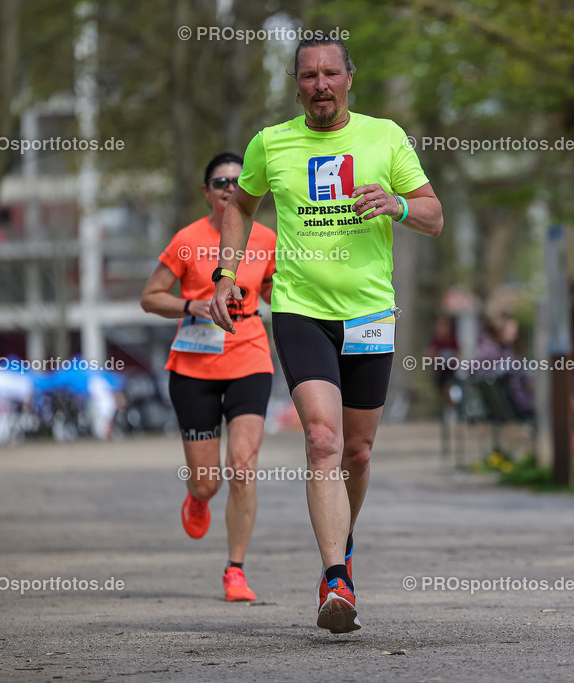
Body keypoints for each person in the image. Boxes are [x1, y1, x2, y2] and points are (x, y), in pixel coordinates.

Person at [209, 37, 443, 633]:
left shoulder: (385, 136)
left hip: (368, 313)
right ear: (296, 83)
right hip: (300, 309)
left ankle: (343, 533)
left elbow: (433, 216)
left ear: (348, 78)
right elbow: (239, 204)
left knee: (358, 452)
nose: (320, 84)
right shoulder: (272, 143)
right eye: (309, 75)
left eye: (329, 73)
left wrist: (394, 203)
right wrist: (227, 273)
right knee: (321, 440)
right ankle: (335, 577)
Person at [141, 152, 277, 602]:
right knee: (208, 480)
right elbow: (150, 297)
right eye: (219, 181)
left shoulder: (267, 240)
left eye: (236, 182)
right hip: (194, 366)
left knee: (243, 466)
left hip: (250, 359)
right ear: (206, 192)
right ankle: (197, 495)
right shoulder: (187, 240)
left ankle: (235, 570)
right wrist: (189, 305)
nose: (228, 188)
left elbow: (282, 292)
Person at [473, 314, 534, 417]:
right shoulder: (488, 350)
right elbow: (478, 371)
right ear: (500, 328)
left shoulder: (505, 349)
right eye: (512, 327)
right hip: (513, 405)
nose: (515, 331)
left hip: (518, 402)